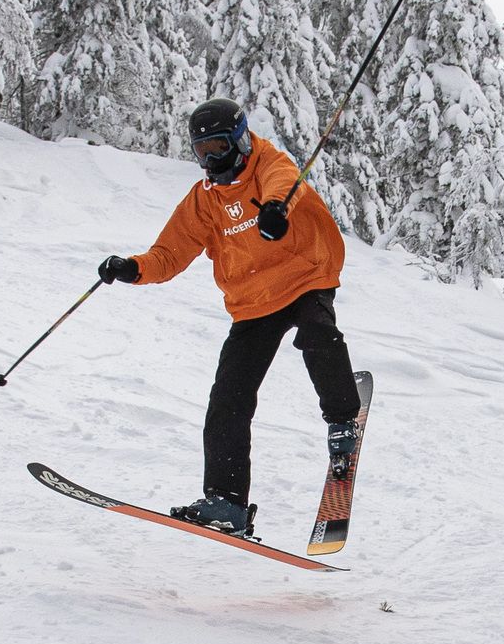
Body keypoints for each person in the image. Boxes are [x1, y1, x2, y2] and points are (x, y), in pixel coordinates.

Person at [98, 97, 361, 535]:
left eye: (218, 147)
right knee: (229, 397)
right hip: (253, 299)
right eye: (202, 152)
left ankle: (341, 421)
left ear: (240, 140)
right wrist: (134, 268)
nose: (211, 160)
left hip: (305, 274)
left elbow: (284, 180)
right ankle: (226, 502)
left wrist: (276, 208)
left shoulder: (267, 163)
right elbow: (171, 252)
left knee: (317, 333)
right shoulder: (204, 201)